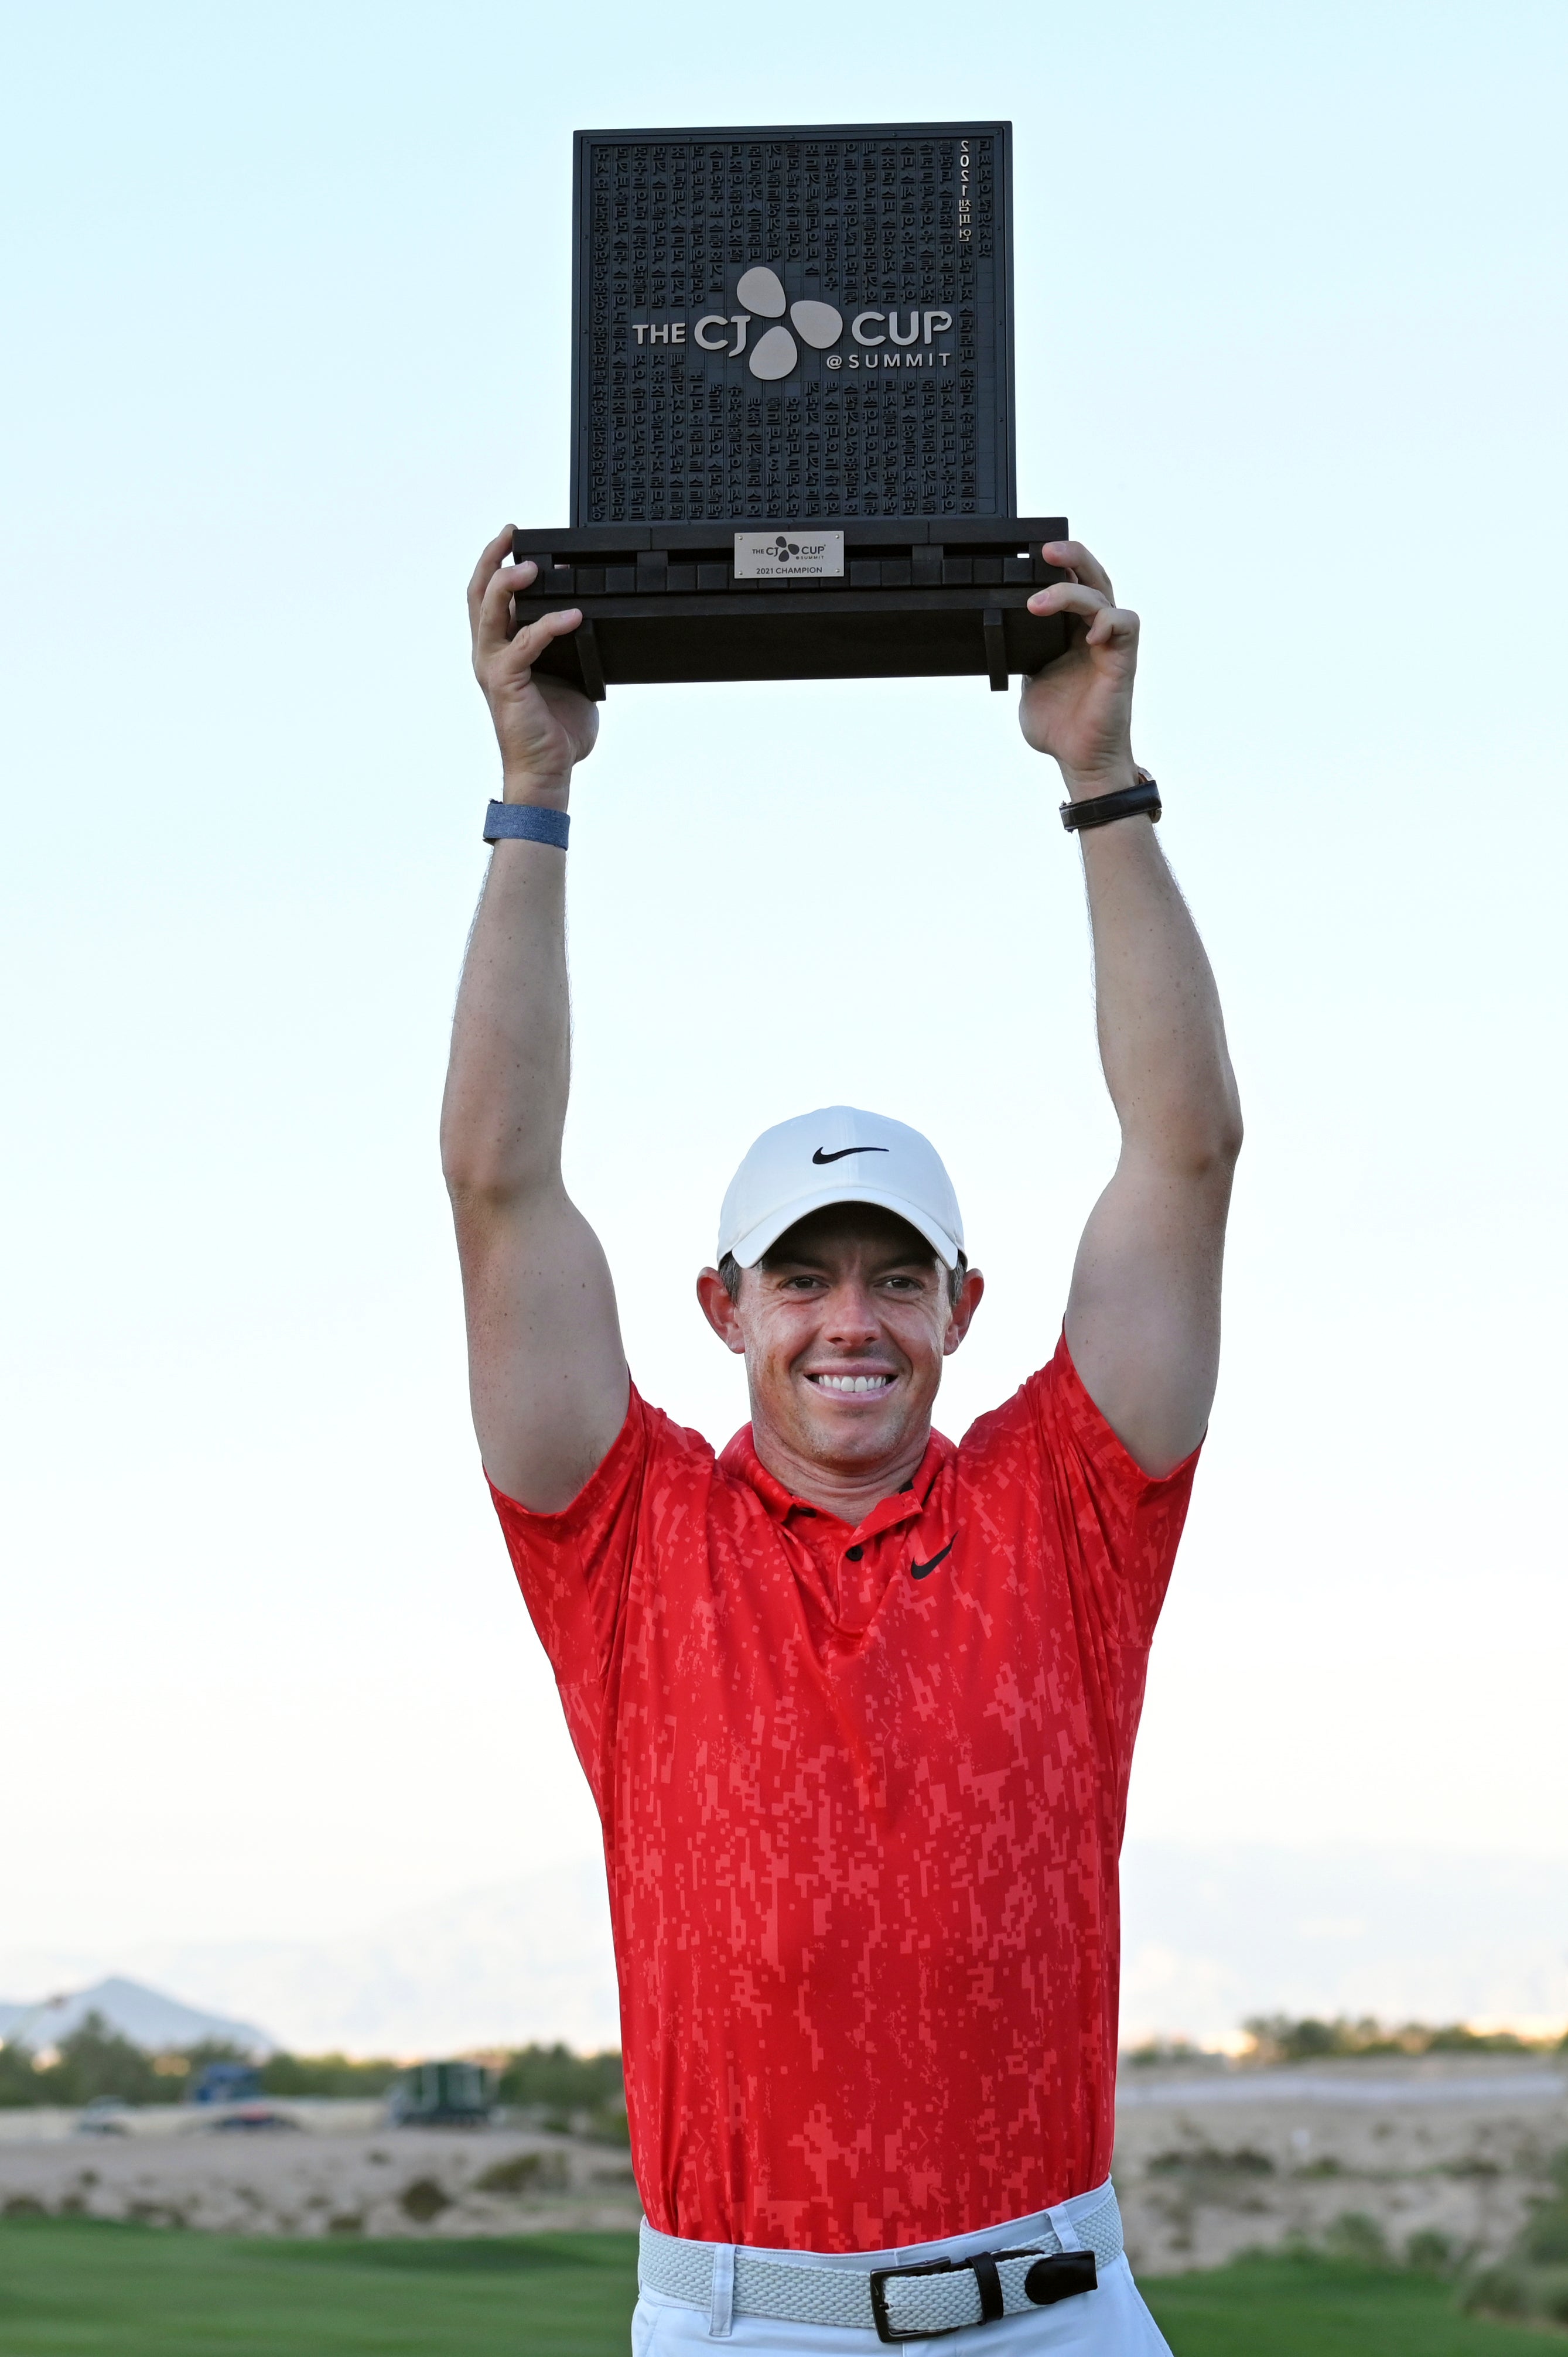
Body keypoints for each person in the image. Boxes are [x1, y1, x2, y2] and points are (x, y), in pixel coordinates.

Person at [442, 531, 1242, 2354]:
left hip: (1063, 2309)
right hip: (747, 2323)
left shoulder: (1070, 1506)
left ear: (966, 1303)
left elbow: (1185, 1156)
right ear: (724, 1308)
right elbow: (499, 1190)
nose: (852, 1322)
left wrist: (1100, 779)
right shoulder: (631, 1538)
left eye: (895, 1276)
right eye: (804, 1282)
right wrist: (531, 800)